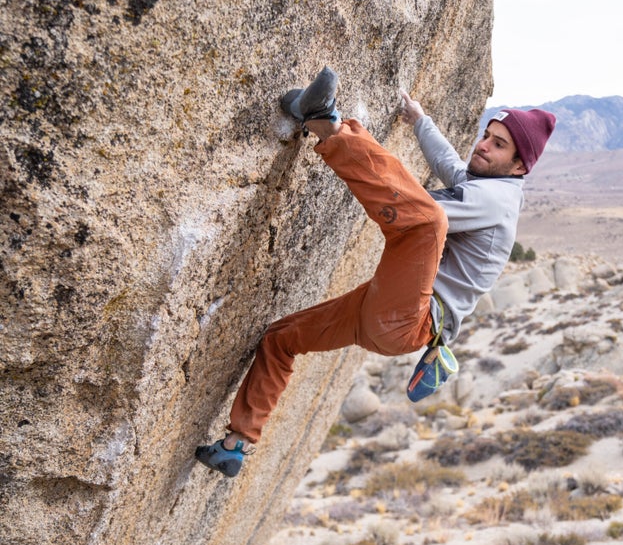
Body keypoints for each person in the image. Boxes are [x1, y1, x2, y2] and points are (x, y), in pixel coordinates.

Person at [195, 67, 555, 477]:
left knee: (427, 221)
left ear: (519, 167)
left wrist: (356, 137)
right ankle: (235, 446)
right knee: (281, 339)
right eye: (487, 135)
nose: (484, 145)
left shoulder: (498, 203)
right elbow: (453, 166)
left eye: (499, 144)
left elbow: (422, 210)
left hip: (409, 317)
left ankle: (325, 122)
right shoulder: (488, 185)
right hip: (383, 313)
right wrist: (420, 120)